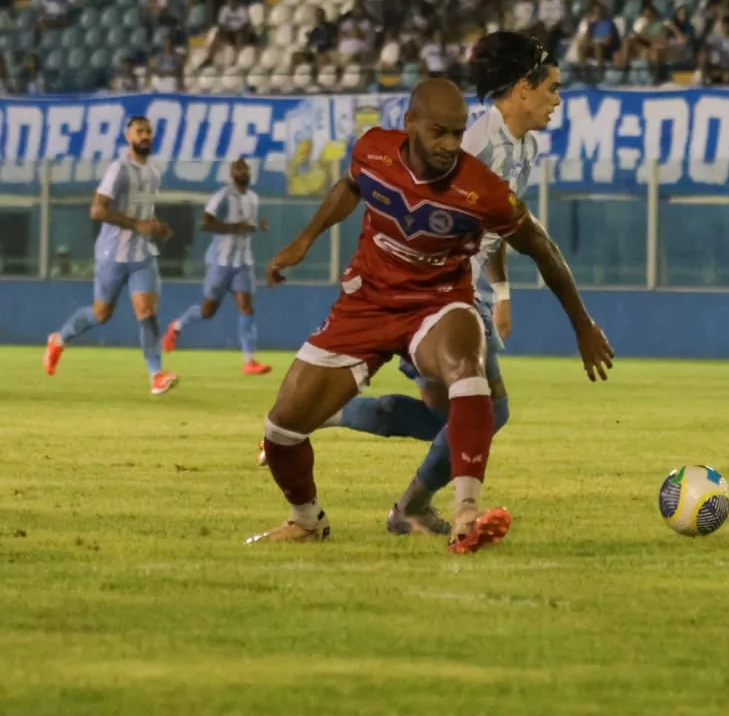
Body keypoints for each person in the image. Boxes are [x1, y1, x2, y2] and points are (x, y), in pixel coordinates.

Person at [250, 76, 614, 552]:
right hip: (366, 303)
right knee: (280, 430)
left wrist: (582, 325)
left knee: (468, 372)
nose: (450, 146)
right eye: (439, 132)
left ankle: (466, 513)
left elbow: (542, 249)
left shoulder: (482, 190)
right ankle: (306, 520)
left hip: (438, 303)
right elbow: (349, 186)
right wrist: (303, 241)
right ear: (410, 125)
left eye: (458, 135)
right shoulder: (374, 151)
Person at [310, 32, 565, 536]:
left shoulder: (526, 148)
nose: (558, 99)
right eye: (552, 88)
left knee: (441, 421)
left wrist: (503, 295)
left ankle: (329, 418)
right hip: (434, 298)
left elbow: (491, 227)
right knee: (488, 411)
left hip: (469, 296)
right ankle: (428, 506)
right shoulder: (470, 140)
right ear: (522, 89)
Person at [43, 116, 180, 395]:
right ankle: (59, 339)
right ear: (128, 136)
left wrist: (155, 227)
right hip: (112, 254)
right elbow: (97, 210)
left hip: (142, 254)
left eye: (149, 132)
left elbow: (142, 211)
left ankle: (156, 374)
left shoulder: (154, 171)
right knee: (100, 314)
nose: (145, 136)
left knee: (147, 311)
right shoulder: (118, 170)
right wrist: (138, 225)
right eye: (140, 131)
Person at [161, 158, 273, 376]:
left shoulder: (253, 198)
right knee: (207, 311)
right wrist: (233, 227)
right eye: (238, 169)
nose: (243, 172)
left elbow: (247, 226)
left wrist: (259, 226)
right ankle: (176, 327)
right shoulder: (223, 196)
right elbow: (205, 223)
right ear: (232, 174)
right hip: (220, 262)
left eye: (245, 168)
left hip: (243, 262)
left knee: (247, 308)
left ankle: (249, 361)